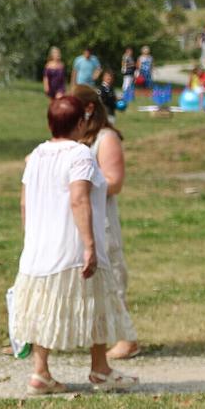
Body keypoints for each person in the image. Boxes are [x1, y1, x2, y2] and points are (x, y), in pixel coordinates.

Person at [10, 95, 136, 395]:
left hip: (40, 250)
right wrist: (90, 244)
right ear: (80, 123)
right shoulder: (79, 155)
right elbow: (79, 198)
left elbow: (25, 201)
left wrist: (32, 237)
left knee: (44, 306)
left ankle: (41, 372)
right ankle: (100, 369)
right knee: (94, 302)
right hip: (71, 247)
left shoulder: (37, 154)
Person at [71, 85, 138, 361]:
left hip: (103, 220)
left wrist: (81, 184)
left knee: (112, 276)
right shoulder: (78, 137)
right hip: (81, 218)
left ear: (88, 109)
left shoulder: (106, 138)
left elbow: (115, 182)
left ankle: (128, 338)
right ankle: (93, 336)